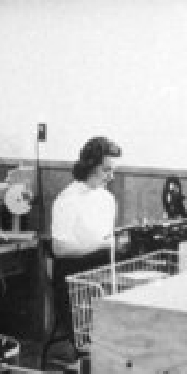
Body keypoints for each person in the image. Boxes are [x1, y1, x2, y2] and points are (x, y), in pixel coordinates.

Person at [50, 136, 122, 342]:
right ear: (90, 166)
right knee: (91, 339)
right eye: (106, 170)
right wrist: (101, 244)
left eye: (113, 171)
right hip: (73, 278)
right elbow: (59, 249)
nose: (111, 177)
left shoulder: (108, 199)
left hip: (102, 271)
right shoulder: (67, 199)